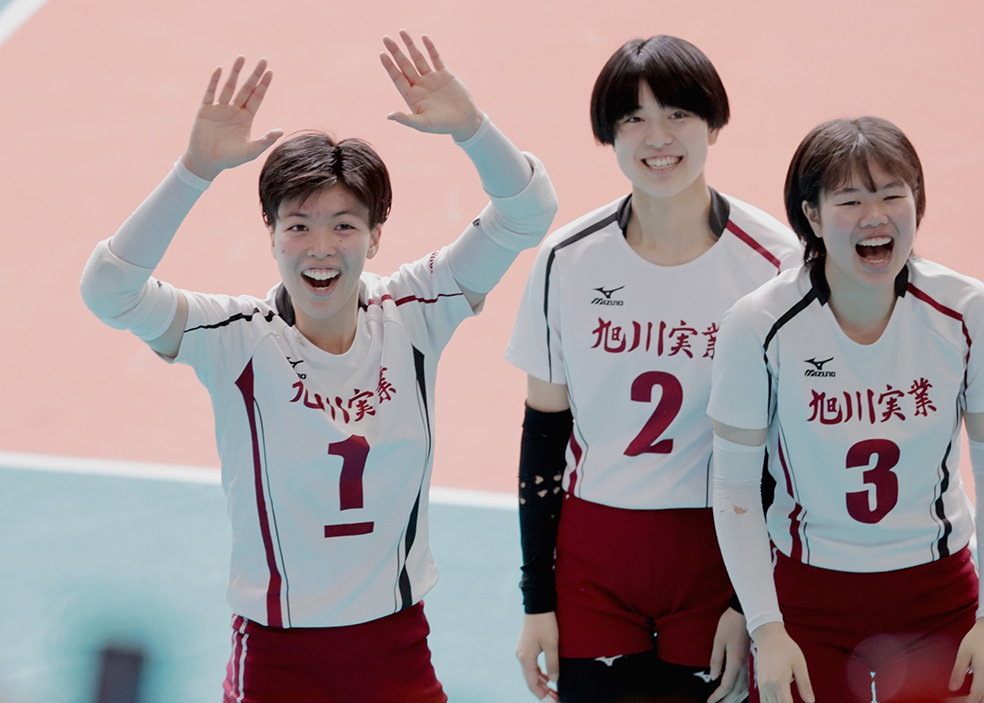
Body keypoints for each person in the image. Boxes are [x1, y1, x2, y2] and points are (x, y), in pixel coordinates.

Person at [80, 32, 557, 703]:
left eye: (344, 225)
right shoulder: (235, 339)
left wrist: (472, 128)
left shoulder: (417, 310)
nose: (320, 247)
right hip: (278, 660)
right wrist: (195, 170)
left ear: (376, 236)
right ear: (272, 236)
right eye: (298, 225)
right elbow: (108, 291)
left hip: (397, 650)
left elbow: (529, 211)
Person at [506, 35, 801, 703]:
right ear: (609, 133)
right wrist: (536, 600)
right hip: (594, 559)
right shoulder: (566, 260)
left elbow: (789, 450)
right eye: (633, 118)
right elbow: (544, 435)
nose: (657, 137)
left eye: (678, 114)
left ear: (713, 124)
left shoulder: (775, 262)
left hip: (717, 555)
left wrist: (750, 604)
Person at [708, 116, 984, 703]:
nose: (875, 216)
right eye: (851, 200)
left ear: (918, 201)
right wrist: (766, 628)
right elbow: (734, 486)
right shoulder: (758, 323)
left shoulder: (966, 313)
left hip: (939, 598)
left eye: (892, 195)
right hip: (807, 603)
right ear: (811, 215)